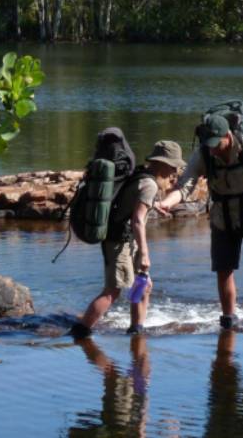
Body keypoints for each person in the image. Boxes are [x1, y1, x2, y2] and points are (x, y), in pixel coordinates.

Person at [155, 114, 243, 331]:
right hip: (222, 216)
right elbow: (185, 185)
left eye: (216, 144)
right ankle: (228, 320)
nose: (213, 149)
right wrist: (167, 203)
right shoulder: (204, 154)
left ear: (228, 136)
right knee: (224, 269)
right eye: (209, 145)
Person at [68, 140, 187, 338]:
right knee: (112, 291)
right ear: (163, 164)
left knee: (144, 285)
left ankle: (136, 329)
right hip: (120, 242)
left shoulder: (141, 175)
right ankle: (79, 332)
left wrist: (155, 206)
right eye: (173, 166)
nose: (175, 171)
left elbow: (131, 201)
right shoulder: (149, 184)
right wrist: (145, 254)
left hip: (123, 239)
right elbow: (138, 221)